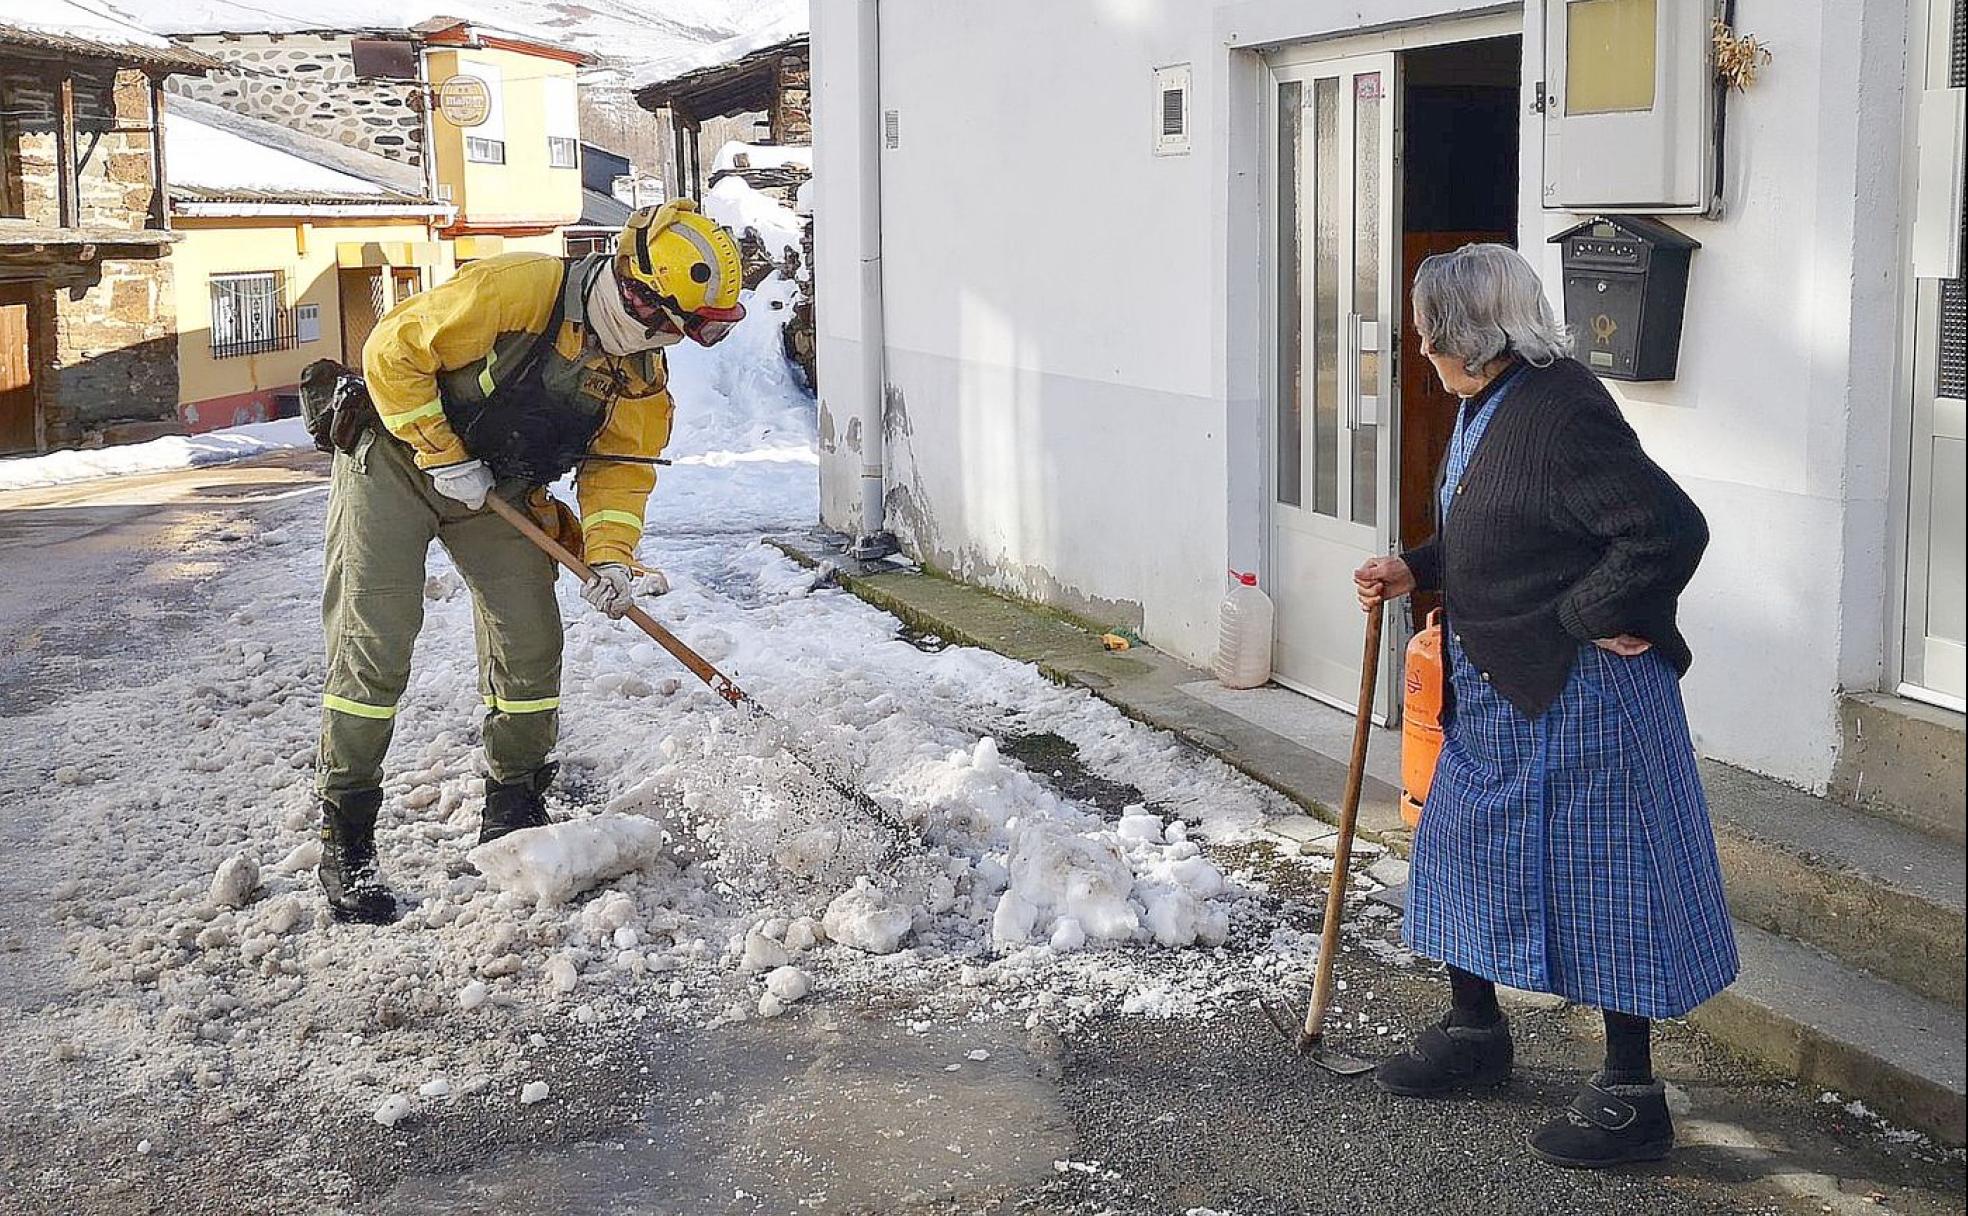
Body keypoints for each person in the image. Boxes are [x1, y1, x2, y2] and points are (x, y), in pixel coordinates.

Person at [1353, 243, 1736, 1169]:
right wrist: (1419, 564)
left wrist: (1590, 614)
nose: (1421, 349)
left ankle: (1631, 1095)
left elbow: (1668, 530)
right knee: (1458, 854)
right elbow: (1501, 529)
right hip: (1500, 688)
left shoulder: (1562, 411)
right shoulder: (1490, 402)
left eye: (1425, 334)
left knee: (1611, 884)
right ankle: (1477, 1031)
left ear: (1461, 336)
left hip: (1584, 697)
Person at [307, 199, 745, 925]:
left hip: (501, 491)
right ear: (643, 295)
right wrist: (443, 454)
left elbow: (620, 469)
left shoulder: (639, 374)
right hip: (394, 456)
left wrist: (609, 558)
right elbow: (393, 350)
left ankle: (513, 812)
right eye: (674, 323)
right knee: (375, 643)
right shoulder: (519, 289)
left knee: (531, 640)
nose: (668, 340)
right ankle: (346, 839)